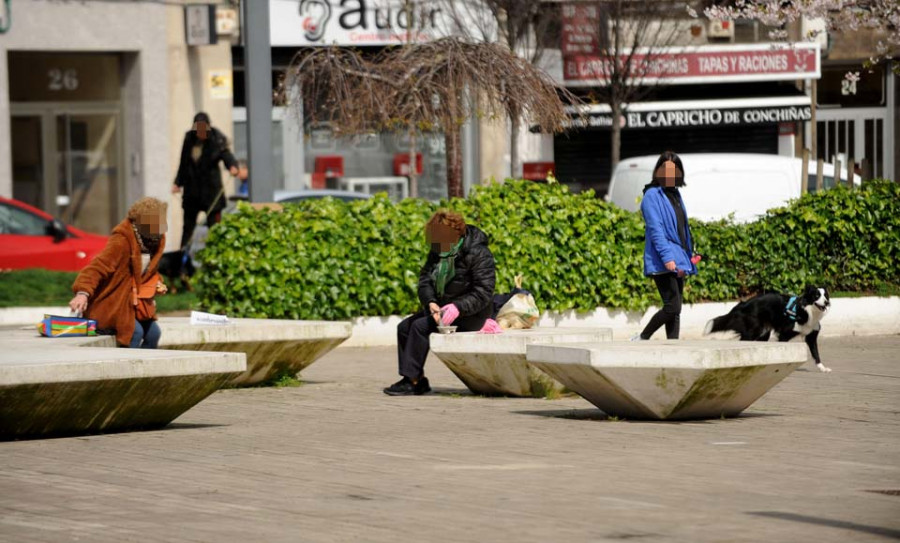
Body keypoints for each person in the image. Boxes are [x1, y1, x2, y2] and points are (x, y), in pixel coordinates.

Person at [384, 210, 496, 396]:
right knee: (404, 327)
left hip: (472, 314)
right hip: (442, 310)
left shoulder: (478, 253)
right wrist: (431, 302)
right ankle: (416, 379)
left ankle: (411, 382)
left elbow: (484, 291)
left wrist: (457, 307)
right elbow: (425, 280)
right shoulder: (439, 250)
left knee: (420, 327)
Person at [69, 197, 168, 348]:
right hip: (114, 303)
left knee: (154, 334)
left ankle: (146, 367)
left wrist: (157, 282)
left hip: (137, 304)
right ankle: (129, 366)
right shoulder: (122, 239)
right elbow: (98, 266)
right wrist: (83, 293)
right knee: (135, 333)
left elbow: (149, 271)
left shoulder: (155, 240)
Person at [633, 151, 699, 341]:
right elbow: (656, 230)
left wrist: (689, 254)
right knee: (672, 306)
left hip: (679, 257)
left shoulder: (675, 195)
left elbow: (682, 228)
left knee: (675, 310)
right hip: (663, 259)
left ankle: (673, 347)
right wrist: (667, 257)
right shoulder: (652, 196)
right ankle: (643, 337)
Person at [172, 112, 239, 249]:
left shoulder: (217, 138)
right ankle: (184, 260)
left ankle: (217, 256)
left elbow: (226, 155)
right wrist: (178, 183)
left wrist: (232, 166)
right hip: (192, 192)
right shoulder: (189, 139)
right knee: (188, 229)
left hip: (211, 192)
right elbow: (184, 162)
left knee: (215, 229)